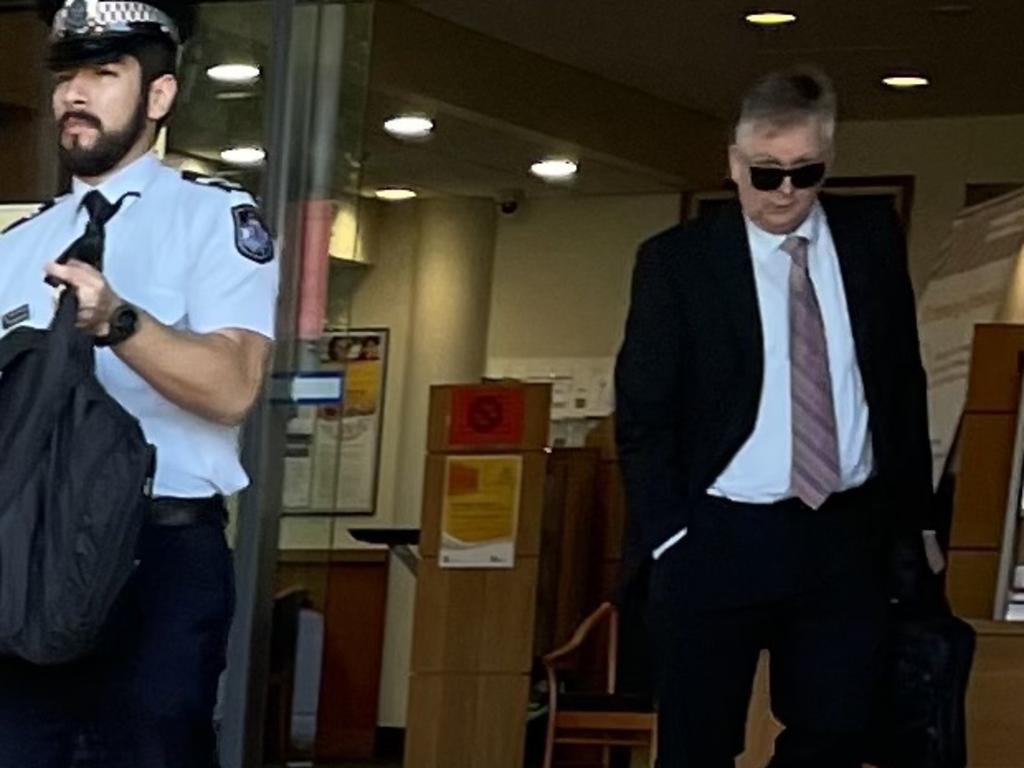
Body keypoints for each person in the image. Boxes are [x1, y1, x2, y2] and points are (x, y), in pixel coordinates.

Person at [615, 69, 937, 767]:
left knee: (838, 734)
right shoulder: (680, 263)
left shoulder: (871, 237)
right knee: (697, 746)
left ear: (829, 160)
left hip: (843, 534)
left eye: (804, 171)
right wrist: (670, 535)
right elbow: (643, 413)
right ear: (734, 164)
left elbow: (899, 380)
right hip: (718, 535)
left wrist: (909, 522)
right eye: (766, 173)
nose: (785, 191)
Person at [0, 0, 278, 765]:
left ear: (159, 96)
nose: (73, 94)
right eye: (66, 75)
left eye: (104, 72)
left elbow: (232, 387)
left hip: (159, 555)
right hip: (28, 550)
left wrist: (120, 323)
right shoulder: (18, 244)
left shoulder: (213, 218)